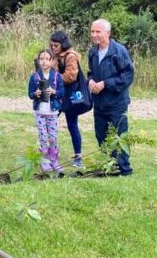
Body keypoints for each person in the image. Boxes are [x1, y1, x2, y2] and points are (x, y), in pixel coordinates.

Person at [86, 19, 135, 176]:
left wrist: (106, 84)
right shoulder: (93, 52)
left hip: (117, 103)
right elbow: (90, 73)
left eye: (98, 32)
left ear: (108, 33)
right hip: (99, 103)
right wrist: (91, 81)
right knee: (101, 135)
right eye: (92, 31)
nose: (94, 35)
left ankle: (124, 169)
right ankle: (109, 164)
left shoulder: (118, 52)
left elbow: (127, 76)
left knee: (119, 136)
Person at [49, 31, 85, 168]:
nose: (53, 47)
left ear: (63, 44)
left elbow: (71, 76)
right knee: (50, 123)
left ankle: (78, 157)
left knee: (72, 125)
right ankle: (49, 154)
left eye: (56, 45)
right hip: (58, 94)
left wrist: (55, 77)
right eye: (51, 45)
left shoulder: (71, 56)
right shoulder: (54, 56)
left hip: (70, 95)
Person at [27, 49, 65, 173]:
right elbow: (30, 94)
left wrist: (54, 92)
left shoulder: (56, 76)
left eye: (47, 59)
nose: (44, 62)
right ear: (38, 61)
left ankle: (53, 159)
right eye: (41, 59)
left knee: (53, 137)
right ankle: (44, 160)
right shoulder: (34, 76)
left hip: (52, 112)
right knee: (43, 137)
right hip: (40, 112)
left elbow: (62, 92)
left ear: (52, 61)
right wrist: (35, 93)